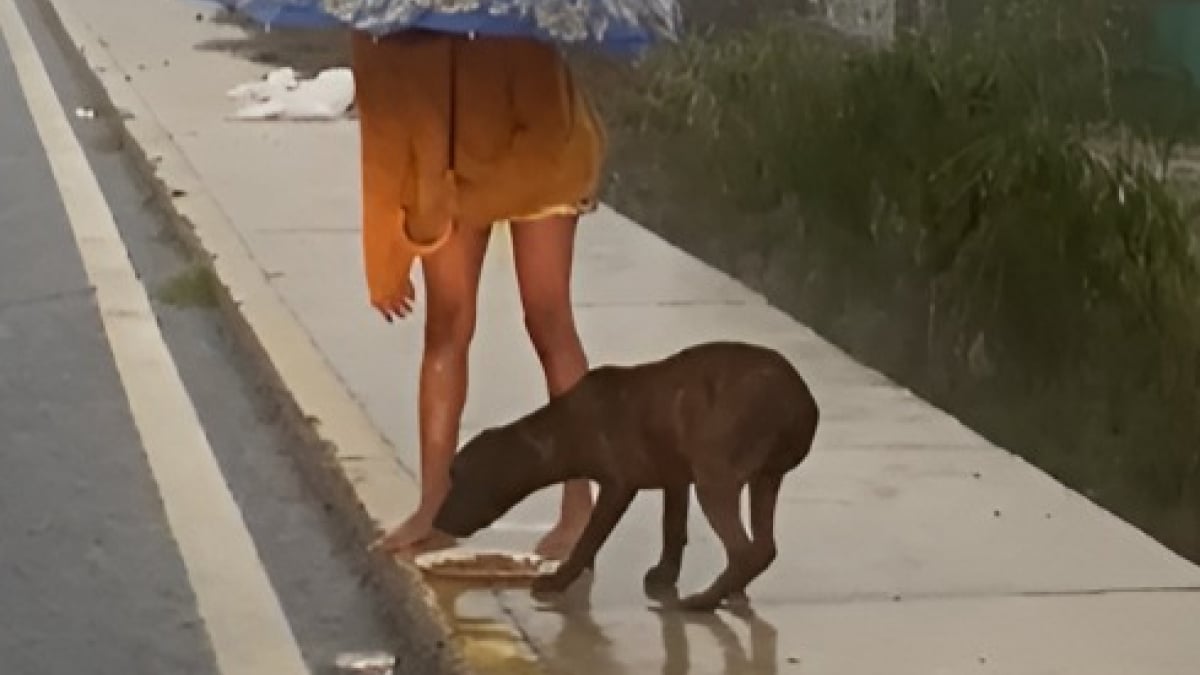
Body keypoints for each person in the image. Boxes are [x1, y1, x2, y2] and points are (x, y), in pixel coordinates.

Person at [351, 29, 605, 560]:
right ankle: (435, 504)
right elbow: (386, 121)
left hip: (542, 147)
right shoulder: (399, 16)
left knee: (548, 319)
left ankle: (580, 505)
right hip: (449, 162)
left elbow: (547, 102)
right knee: (446, 324)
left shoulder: (519, 19)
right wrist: (387, 250)